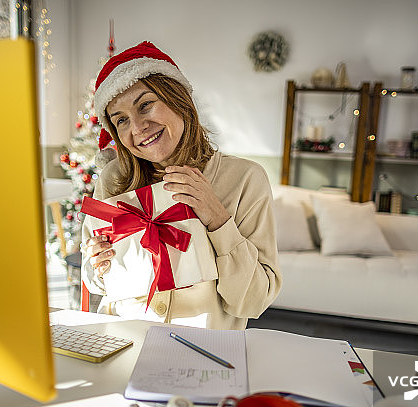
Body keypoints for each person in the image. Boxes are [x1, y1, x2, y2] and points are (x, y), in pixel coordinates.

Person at [82, 41, 281, 330]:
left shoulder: (245, 179)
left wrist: (217, 218)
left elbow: (253, 301)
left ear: (179, 100)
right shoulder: (113, 179)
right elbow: (95, 281)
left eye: (146, 105)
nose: (137, 128)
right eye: (121, 120)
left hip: (203, 355)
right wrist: (96, 262)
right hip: (122, 344)